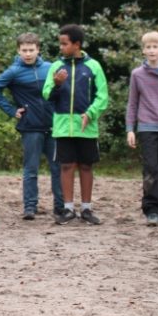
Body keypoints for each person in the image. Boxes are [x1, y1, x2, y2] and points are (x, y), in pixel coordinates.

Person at [0, 33, 64, 220]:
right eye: (24, 50)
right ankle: (30, 207)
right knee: (31, 169)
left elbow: (63, 90)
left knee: (58, 168)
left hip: (54, 125)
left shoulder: (51, 68)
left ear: (38, 49)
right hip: (31, 126)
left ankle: (61, 206)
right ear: (18, 50)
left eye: (31, 50)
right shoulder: (14, 72)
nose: (28, 54)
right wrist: (11, 110)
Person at [43, 24, 108, 226]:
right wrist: (57, 84)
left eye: (65, 44)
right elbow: (46, 94)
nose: (61, 47)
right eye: (60, 43)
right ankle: (68, 208)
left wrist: (90, 113)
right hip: (62, 127)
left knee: (86, 166)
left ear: (77, 44)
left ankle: (86, 209)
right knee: (66, 166)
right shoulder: (56, 66)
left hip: (87, 128)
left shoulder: (94, 66)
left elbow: (103, 96)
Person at [125, 30, 158, 226]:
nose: (152, 50)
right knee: (151, 169)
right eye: (148, 47)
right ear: (143, 50)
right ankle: (151, 209)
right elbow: (132, 103)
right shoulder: (137, 75)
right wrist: (130, 129)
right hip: (147, 127)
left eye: (155, 46)